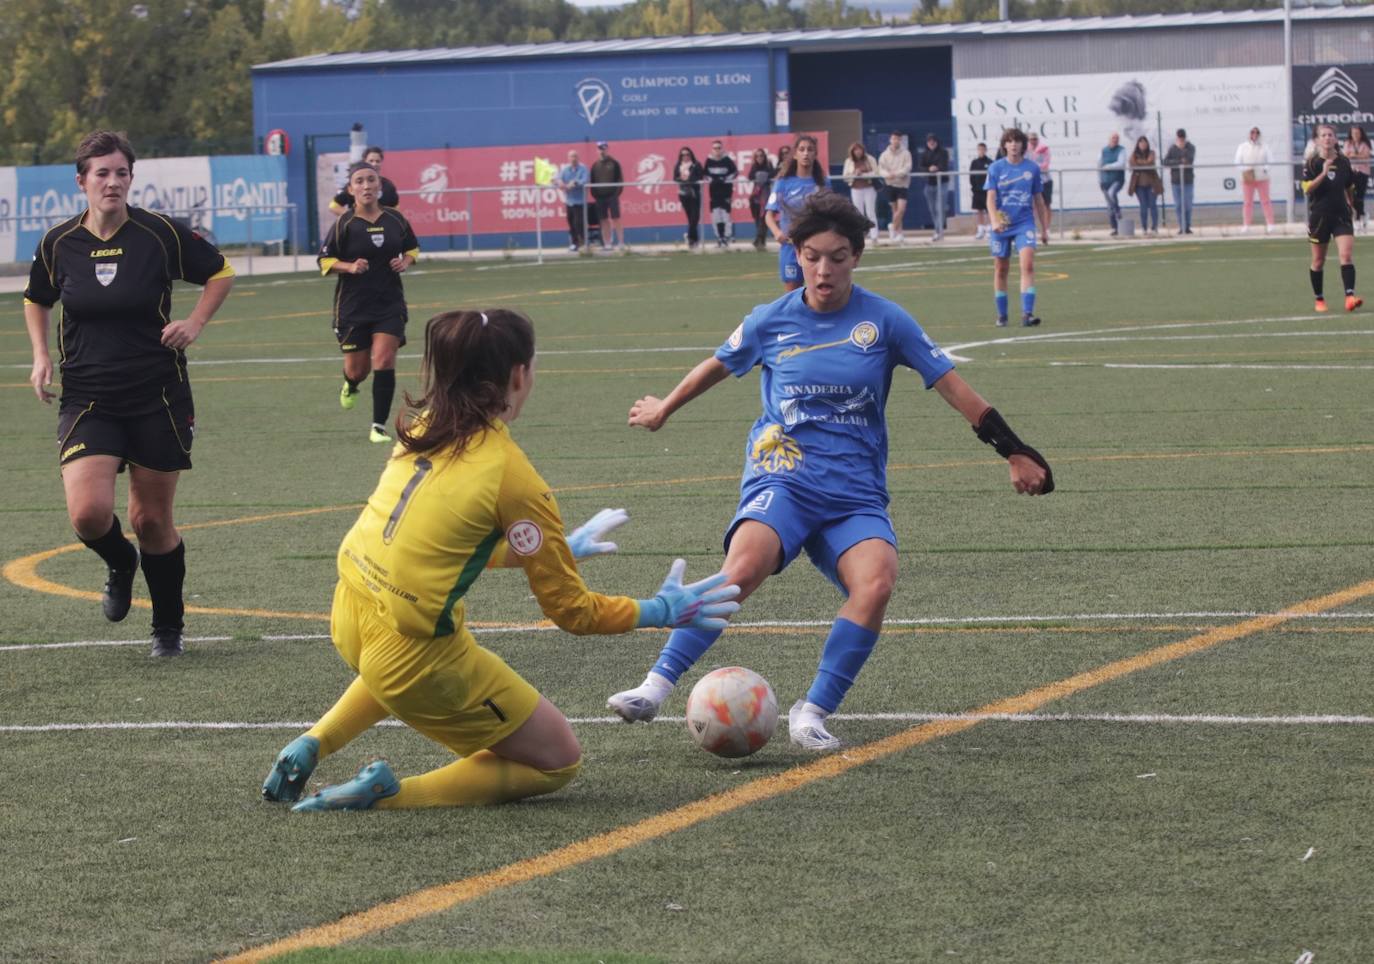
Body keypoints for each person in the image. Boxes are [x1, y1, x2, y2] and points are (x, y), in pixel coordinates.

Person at [605, 192, 1053, 751]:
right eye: (812, 256)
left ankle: (812, 711)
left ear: (856, 257)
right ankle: (654, 685)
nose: (824, 269)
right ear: (796, 253)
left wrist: (1013, 449)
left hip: (854, 495)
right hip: (782, 480)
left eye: (838, 256)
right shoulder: (772, 319)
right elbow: (719, 364)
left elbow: (953, 388)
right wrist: (663, 408)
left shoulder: (886, 321)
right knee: (742, 570)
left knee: (877, 582)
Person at [261, 309, 741, 811]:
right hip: (413, 654)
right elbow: (573, 612)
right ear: (519, 374)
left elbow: (439, 544)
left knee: (404, 657)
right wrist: (660, 611)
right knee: (557, 759)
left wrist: (546, 549)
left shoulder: (425, 425)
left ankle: (312, 742)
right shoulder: (513, 477)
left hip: (351, 614)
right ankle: (387, 796)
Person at [23, 130, 235, 658]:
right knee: (89, 515)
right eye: (102, 173)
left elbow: (220, 272)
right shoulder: (59, 242)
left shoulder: (159, 233)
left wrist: (195, 322)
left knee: (151, 519)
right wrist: (41, 355)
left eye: (121, 173)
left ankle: (167, 627)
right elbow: (36, 298)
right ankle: (120, 562)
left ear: (131, 179)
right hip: (89, 395)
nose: (113, 182)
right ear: (82, 182)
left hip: (157, 392)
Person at [319, 161, 420, 443]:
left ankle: (378, 426)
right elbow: (324, 260)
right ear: (351, 190)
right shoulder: (344, 224)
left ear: (380, 186)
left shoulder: (395, 219)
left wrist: (406, 261)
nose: (366, 186)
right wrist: (349, 267)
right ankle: (351, 384)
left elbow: (412, 247)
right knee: (358, 369)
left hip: (389, 303)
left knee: (384, 359)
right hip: (353, 308)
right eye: (360, 181)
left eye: (371, 180)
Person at [985, 127, 1048, 327]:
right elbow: (990, 199)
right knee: (1001, 269)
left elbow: (1038, 199)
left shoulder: (1032, 169)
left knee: (1027, 265)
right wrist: (994, 220)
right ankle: (1002, 315)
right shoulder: (996, 168)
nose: (1013, 144)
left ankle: (1027, 314)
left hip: (1024, 223)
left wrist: (1044, 228)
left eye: (1017, 141)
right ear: (1004, 145)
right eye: (1009, 141)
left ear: (1023, 145)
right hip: (1002, 225)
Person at [1303, 124, 1361, 314]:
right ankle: (1319, 299)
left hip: (1341, 215)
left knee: (1345, 255)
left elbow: (1349, 187)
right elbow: (1307, 189)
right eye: (1323, 135)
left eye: (1330, 135)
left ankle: (1349, 297)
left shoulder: (1344, 162)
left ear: (1335, 139)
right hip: (1320, 217)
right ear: (1318, 140)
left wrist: (1351, 205)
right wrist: (1324, 172)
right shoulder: (1312, 163)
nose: (1327, 138)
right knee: (1318, 260)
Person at [765, 133, 828, 293]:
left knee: (819, 292)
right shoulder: (783, 183)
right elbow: (769, 215)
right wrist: (777, 232)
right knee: (792, 295)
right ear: (795, 154)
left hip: (816, 246)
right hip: (790, 246)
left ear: (815, 153)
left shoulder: (823, 183)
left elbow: (830, 213)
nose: (806, 153)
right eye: (802, 149)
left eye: (810, 149)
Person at [329, 146, 400, 215]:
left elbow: (396, 210)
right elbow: (333, 206)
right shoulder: (354, 186)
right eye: (371, 161)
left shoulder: (388, 186)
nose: (374, 164)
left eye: (377, 161)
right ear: (364, 162)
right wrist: (352, 218)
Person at [1235, 127, 1276, 234]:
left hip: (1262, 177)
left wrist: (1265, 169)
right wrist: (1245, 170)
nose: (1254, 134)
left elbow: (1270, 160)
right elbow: (1237, 161)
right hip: (1248, 178)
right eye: (1252, 132)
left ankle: (1270, 224)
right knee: (1247, 202)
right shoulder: (1242, 147)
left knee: (1266, 201)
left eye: (1257, 132)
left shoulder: (1264, 146)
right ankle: (1246, 225)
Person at [877, 131, 912, 243]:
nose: (895, 141)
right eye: (893, 138)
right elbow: (881, 169)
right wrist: (888, 175)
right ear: (890, 140)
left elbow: (908, 167)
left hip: (902, 184)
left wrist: (897, 174)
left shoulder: (906, 153)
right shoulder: (884, 155)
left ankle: (893, 227)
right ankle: (898, 233)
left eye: (898, 139)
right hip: (890, 184)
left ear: (900, 140)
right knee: (895, 210)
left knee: (901, 209)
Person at [842, 141, 880, 243]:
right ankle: (860, 235)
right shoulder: (849, 161)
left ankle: (874, 236)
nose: (858, 152)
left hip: (869, 188)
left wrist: (864, 173)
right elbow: (845, 176)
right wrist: (854, 173)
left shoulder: (870, 159)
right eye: (855, 150)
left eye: (859, 150)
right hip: (855, 188)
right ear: (852, 151)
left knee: (870, 212)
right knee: (858, 213)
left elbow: (876, 173)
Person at [590, 141, 625, 249]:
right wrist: (595, 195)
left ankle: (621, 243)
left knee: (616, 218)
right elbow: (593, 182)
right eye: (600, 149)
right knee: (603, 220)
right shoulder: (595, 166)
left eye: (604, 148)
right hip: (600, 197)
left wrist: (616, 194)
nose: (602, 151)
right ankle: (607, 243)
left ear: (607, 149)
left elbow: (620, 180)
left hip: (612, 196)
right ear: (597, 150)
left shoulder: (614, 163)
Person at [704, 139, 738, 248]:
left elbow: (735, 172)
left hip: (726, 193)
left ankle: (726, 237)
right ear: (712, 149)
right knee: (716, 217)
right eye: (715, 148)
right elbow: (705, 174)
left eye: (719, 148)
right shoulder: (709, 161)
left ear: (722, 149)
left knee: (725, 216)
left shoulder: (727, 160)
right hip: (714, 194)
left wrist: (724, 179)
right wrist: (713, 179)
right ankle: (719, 238)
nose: (717, 150)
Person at [554, 149, 589, 251]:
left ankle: (583, 243)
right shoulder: (565, 169)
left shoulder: (583, 169)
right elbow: (558, 179)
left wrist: (574, 183)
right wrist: (559, 182)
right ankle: (574, 243)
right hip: (569, 202)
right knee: (571, 223)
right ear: (568, 158)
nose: (573, 159)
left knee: (579, 223)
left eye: (575, 156)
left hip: (580, 202)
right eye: (571, 157)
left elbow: (584, 180)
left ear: (578, 158)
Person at [1163, 128, 1197, 235]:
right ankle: (1182, 226)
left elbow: (1189, 160)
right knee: (1178, 205)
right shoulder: (1172, 148)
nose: (1181, 139)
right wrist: (1178, 161)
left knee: (1187, 204)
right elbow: (1165, 162)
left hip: (1188, 180)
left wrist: (1182, 152)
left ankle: (1187, 225)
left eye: (1182, 137)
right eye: (1179, 137)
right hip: (1176, 181)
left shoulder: (1190, 147)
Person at [1128, 136, 1162, 236]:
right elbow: (1132, 163)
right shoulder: (1134, 154)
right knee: (1143, 206)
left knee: (1153, 205)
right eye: (1141, 142)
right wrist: (1142, 163)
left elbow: (1150, 163)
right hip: (1139, 185)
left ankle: (1154, 227)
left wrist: (1140, 164)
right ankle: (1144, 227)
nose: (1143, 144)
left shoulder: (1152, 153)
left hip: (1151, 184)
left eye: (1144, 142)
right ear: (1138, 144)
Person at [919, 133, 951, 241]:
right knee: (932, 209)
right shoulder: (924, 154)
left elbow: (944, 166)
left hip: (942, 183)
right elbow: (921, 167)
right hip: (929, 184)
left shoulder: (943, 152)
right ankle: (938, 229)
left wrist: (936, 168)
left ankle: (938, 231)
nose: (931, 143)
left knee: (940, 207)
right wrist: (929, 169)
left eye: (933, 141)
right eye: (929, 141)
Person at [673, 146, 705, 249]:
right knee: (690, 218)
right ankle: (693, 241)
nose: (685, 156)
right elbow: (675, 178)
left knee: (695, 218)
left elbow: (701, 176)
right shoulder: (678, 165)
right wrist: (682, 179)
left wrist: (690, 178)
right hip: (684, 194)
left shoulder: (696, 164)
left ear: (691, 154)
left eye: (687, 154)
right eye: (683, 154)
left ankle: (690, 237)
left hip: (694, 193)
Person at [746, 147, 775, 250]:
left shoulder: (768, 165)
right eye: (757, 156)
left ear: (764, 156)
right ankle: (760, 240)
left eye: (761, 155)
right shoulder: (754, 166)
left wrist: (764, 177)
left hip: (766, 195)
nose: (759, 157)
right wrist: (758, 176)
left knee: (764, 218)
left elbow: (773, 174)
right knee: (757, 218)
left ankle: (759, 240)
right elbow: (749, 177)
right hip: (756, 196)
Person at [1344, 125, 1371, 232]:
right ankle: (1362, 214)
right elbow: (1346, 155)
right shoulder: (1347, 143)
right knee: (1351, 196)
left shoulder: (1365, 144)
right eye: (1353, 133)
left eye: (1357, 133)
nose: (1355, 135)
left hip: (1362, 172)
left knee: (1360, 195)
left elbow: (1366, 156)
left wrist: (1354, 155)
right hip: (1350, 172)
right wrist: (1356, 155)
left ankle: (1360, 218)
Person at [1099, 133, 1127, 236]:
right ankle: (1114, 227)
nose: (1115, 140)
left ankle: (1118, 211)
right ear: (1109, 139)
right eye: (1113, 138)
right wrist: (1100, 180)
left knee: (1112, 194)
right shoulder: (1104, 150)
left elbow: (1121, 163)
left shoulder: (1121, 150)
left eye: (1117, 138)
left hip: (1117, 179)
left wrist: (1109, 166)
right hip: (1105, 181)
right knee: (1109, 205)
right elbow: (1099, 165)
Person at [1026, 132, 1052, 242]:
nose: (1033, 141)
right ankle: (1034, 227)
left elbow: (1045, 165)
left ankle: (1046, 228)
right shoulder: (1025, 151)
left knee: (1046, 205)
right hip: (1031, 181)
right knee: (1032, 206)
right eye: (1031, 139)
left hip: (1044, 180)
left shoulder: (1044, 149)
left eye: (1035, 139)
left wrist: (1034, 168)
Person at [969, 142, 992, 240]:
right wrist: (974, 187)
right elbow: (971, 176)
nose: (981, 151)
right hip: (977, 190)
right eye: (979, 149)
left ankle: (990, 229)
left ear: (985, 150)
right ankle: (980, 229)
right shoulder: (974, 162)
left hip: (987, 191)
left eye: (983, 149)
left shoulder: (990, 162)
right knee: (979, 210)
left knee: (989, 210)